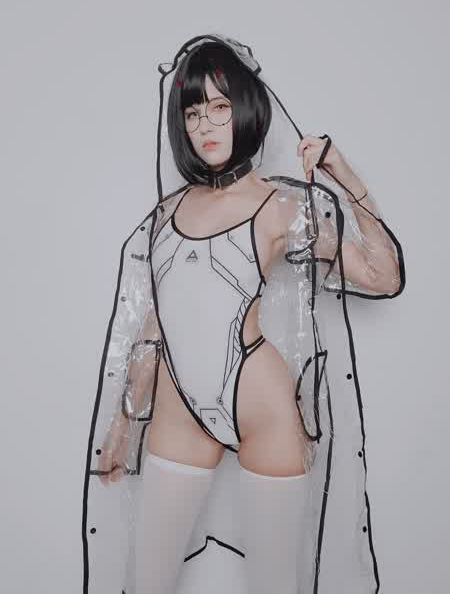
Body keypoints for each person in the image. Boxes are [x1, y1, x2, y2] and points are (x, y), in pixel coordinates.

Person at [84, 34, 405, 594]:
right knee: (149, 581)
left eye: (219, 107)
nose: (205, 125)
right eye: (192, 112)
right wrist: (121, 427)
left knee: (275, 583)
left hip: (264, 405)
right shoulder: (165, 215)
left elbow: (383, 276)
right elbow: (153, 329)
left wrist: (344, 174)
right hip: (180, 409)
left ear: (246, 109)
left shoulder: (282, 205)